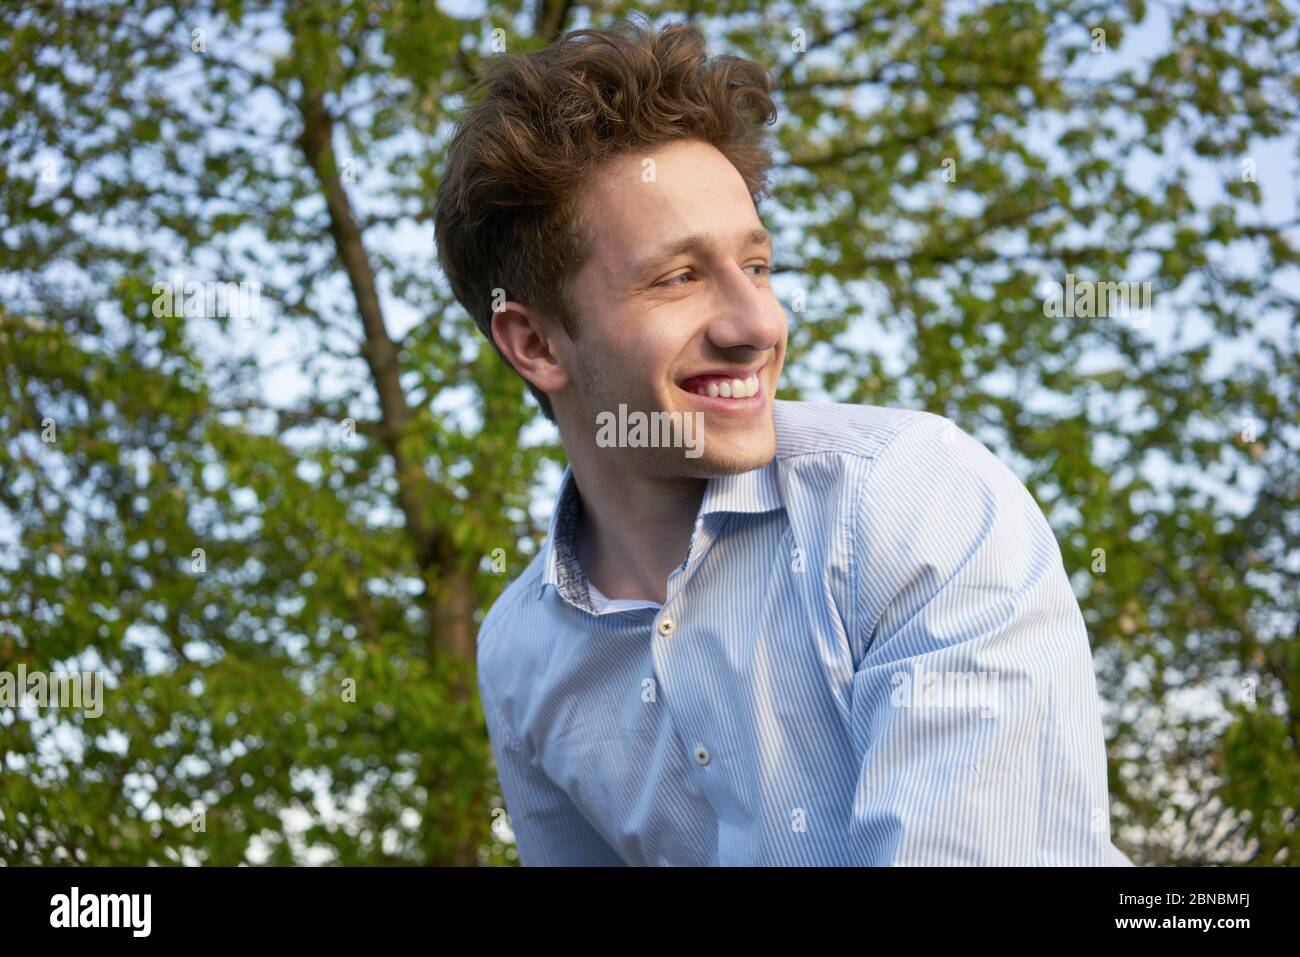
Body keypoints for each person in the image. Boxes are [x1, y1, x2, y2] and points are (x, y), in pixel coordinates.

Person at [434, 18, 1133, 866]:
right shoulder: (516, 653)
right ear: (536, 343)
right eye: (678, 277)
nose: (759, 322)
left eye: (757, 266)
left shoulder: (914, 500)